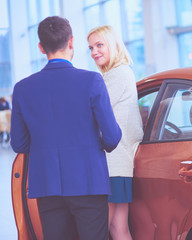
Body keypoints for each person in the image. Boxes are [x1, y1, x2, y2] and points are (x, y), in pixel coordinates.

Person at [10, 16, 121, 240]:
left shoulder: (22, 89)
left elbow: (19, 143)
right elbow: (112, 137)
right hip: (89, 182)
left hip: (47, 186)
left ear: (41, 47)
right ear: (71, 42)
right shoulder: (91, 81)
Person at [87, 25, 143, 240]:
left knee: (101, 228)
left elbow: (91, 114)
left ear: (113, 45)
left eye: (100, 45)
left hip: (111, 162)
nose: (94, 52)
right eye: (91, 47)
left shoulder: (115, 75)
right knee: (118, 227)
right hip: (120, 162)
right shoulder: (123, 72)